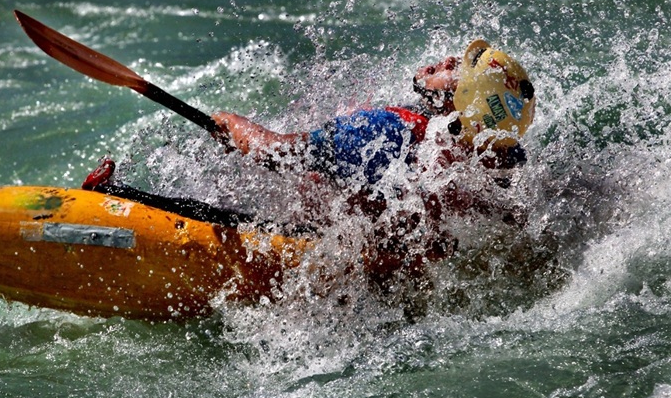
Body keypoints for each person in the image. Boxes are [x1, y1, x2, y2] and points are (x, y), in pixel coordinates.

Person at [209, 39, 536, 279]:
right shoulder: (502, 157)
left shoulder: (384, 132)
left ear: (462, 103)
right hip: (415, 281)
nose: (449, 59)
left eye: (457, 70)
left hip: (329, 260)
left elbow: (279, 154)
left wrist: (233, 125)